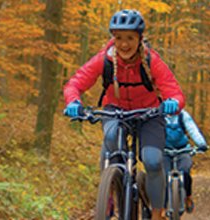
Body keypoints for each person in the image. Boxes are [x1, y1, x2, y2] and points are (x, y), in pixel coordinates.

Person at [61, 9, 187, 220]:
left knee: (153, 160)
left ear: (140, 38)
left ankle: (158, 213)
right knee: (111, 139)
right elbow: (75, 82)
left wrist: (173, 102)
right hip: (115, 110)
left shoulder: (151, 60)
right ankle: (109, 191)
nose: (124, 44)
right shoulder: (104, 59)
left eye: (130, 38)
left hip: (149, 113)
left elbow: (173, 90)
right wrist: (73, 101)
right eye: (118, 37)